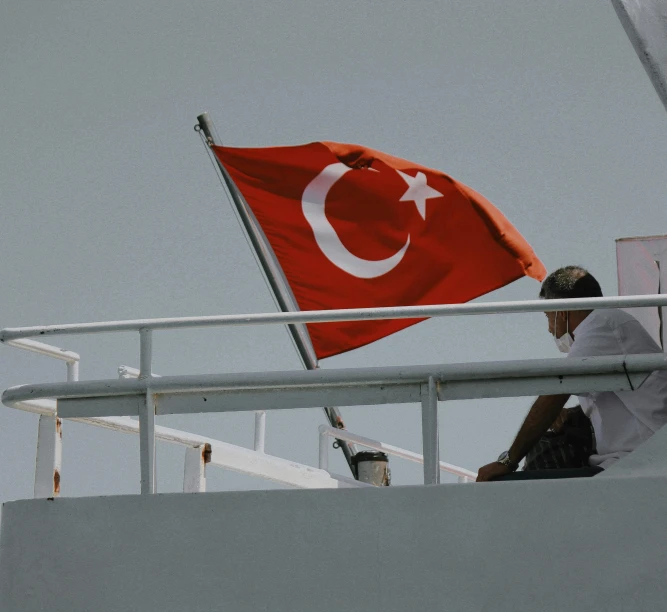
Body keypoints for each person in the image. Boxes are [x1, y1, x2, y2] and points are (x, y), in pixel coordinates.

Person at [477, 265, 667, 482]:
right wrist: (574, 413)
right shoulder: (611, 326)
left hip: (638, 462)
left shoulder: (602, 323)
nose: (550, 329)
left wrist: (508, 461)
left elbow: (554, 394)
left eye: (549, 316)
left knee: (505, 485)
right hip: (636, 459)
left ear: (563, 310)